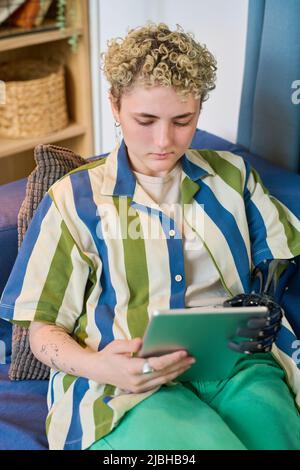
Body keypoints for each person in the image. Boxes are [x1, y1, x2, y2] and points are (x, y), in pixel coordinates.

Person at [0, 22, 300, 451]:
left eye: (183, 120)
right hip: (121, 386)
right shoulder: (73, 199)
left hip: (238, 365)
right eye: (145, 120)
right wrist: (100, 367)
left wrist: (265, 298)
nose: (164, 141)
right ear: (115, 106)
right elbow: (42, 330)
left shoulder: (233, 178)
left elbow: (279, 252)